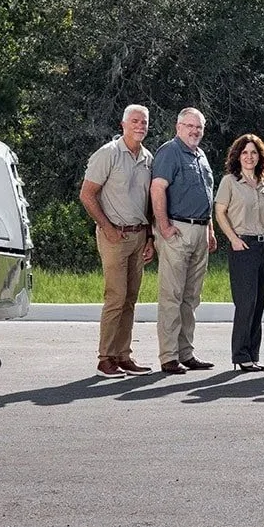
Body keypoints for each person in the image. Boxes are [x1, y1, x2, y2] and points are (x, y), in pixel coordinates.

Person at [78, 104, 156, 377]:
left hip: (139, 236)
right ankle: (105, 359)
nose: (140, 126)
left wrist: (150, 237)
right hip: (115, 236)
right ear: (123, 124)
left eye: (144, 122)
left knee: (131, 299)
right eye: (134, 121)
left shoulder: (148, 158)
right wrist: (107, 227)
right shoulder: (107, 154)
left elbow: (148, 202)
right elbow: (87, 195)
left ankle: (124, 355)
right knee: (116, 297)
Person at [151, 107, 217, 374]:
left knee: (191, 296)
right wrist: (164, 226)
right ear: (178, 127)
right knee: (172, 295)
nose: (194, 131)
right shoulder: (170, 152)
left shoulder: (200, 156)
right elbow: (157, 189)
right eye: (190, 126)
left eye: (199, 127)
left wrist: (210, 229)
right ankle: (168, 356)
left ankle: (186, 352)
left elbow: (207, 195)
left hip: (200, 231)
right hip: (177, 229)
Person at [215, 133, 264, 371]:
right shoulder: (230, 182)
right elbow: (220, 212)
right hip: (243, 246)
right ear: (237, 156)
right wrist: (233, 239)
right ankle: (240, 355)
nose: (249, 157)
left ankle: (253, 354)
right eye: (245, 152)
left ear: (259, 156)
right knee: (246, 302)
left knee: (259, 303)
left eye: (253, 152)